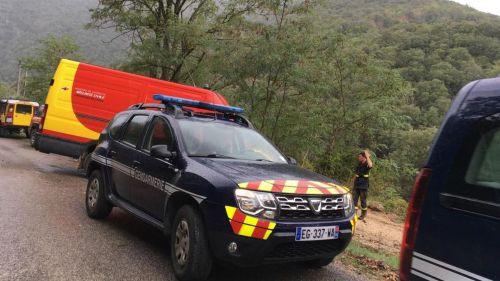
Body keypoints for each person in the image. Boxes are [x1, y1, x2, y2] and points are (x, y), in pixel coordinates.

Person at [352, 149, 373, 220]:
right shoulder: (359, 163)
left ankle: (363, 215)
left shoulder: (367, 163)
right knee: (354, 199)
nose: (358, 158)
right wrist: (353, 183)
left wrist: (367, 156)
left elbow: (370, 165)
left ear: (364, 157)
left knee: (363, 200)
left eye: (360, 156)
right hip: (357, 184)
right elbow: (356, 174)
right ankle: (353, 213)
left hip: (363, 185)